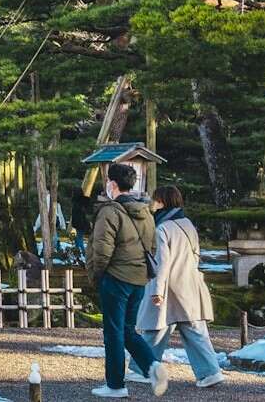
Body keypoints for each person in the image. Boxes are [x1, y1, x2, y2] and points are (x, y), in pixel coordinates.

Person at [86, 163, 167, 398]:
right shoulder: (146, 212)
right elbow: (152, 246)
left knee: (113, 333)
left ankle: (115, 385)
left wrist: (97, 275)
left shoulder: (110, 211)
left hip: (116, 277)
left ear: (112, 184)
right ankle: (153, 366)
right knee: (128, 330)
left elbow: (101, 249)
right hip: (139, 279)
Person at [140, 186, 224, 389]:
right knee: (195, 330)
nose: (153, 203)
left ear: (163, 202)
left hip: (170, 286)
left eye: (156, 200)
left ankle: (142, 369)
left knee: (155, 329)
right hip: (190, 284)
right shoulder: (188, 224)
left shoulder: (162, 228)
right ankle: (210, 371)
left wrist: (157, 291)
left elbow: (162, 263)